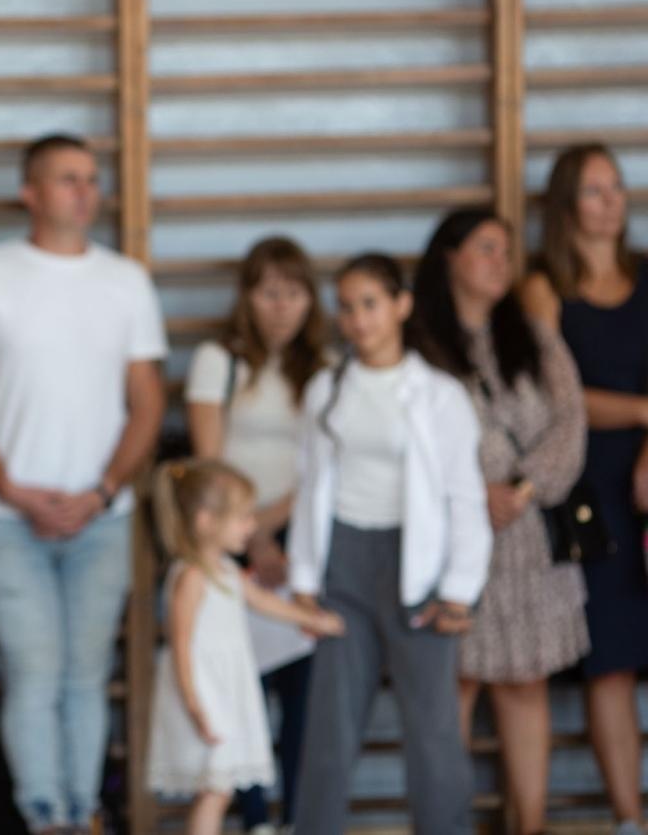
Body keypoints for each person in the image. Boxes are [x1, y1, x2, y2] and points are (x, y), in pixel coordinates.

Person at [0, 133, 166, 833]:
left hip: (104, 516)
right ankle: (45, 816)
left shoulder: (127, 280)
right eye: (67, 178)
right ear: (29, 192)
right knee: (35, 670)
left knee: (85, 675)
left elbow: (149, 402)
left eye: (91, 178)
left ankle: (84, 812)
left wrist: (101, 491)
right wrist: (12, 488)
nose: (84, 190)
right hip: (6, 519)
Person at [288, 253, 492, 833]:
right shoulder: (324, 390)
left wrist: (460, 590)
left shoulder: (441, 395)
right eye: (346, 308)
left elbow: (464, 497)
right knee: (330, 728)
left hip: (417, 570)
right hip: (343, 568)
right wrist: (304, 582)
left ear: (401, 306)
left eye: (370, 304)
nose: (357, 320)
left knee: (433, 729)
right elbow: (309, 487)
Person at [410, 208, 589, 835]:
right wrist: (467, 493)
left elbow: (571, 420)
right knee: (451, 687)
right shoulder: (418, 343)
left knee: (525, 684)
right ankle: (445, 822)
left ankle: (530, 824)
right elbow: (405, 440)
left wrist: (524, 486)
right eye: (485, 248)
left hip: (528, 539)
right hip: (450, 540)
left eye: (506, 252)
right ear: (450, 256)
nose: (499, 263)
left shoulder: (532, 336)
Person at [522, 144, 648, 835]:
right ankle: (630, 818)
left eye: (618, 187)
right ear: (567, 205)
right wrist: (641, 412)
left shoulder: (647, 275)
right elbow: (554, 397)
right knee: (614, 661)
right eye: (596, 191)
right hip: (585, 489)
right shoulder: (543, 288)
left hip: (643, 479)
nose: (612, 202)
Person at [183, 236, 328, 835]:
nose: (282, 307)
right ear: (247, 296)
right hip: (230, 533)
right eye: (270, 292)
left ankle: (294, 814)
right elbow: (207, 462)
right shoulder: (219, 360)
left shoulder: (322, 367)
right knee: (238, 684)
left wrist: (279, 532)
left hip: (301, 533)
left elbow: (325, 464)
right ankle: (250, 813)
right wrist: (250, 537)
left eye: (294, 293)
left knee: (303, 691)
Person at [146, 459, 343, 835]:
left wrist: (315, 620)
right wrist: (193, 703)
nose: (252, 526)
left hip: (229, 692)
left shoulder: (227, 571)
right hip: (206, 696)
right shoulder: (190, 576)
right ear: (206, 521)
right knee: (215, 790)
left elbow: (265, 603)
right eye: (242, 517)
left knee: (219, 788)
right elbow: (181, 645)